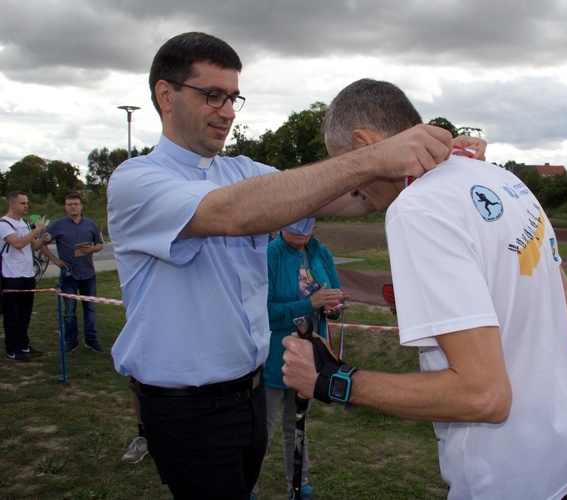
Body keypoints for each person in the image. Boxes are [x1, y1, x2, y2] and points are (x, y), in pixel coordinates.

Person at [106, 32, 485, 499]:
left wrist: (435, 163)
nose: (226, 110)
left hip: (247, 394)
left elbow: (348, 196)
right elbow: (231, 213)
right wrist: (375, 156)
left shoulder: (241, 171)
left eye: (233, 97)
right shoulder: (136, 181)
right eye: (212, 95)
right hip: (186, 408)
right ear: (166, 95)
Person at [281, 79, 567, 499]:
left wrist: (330, 380)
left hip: (505, 474)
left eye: (344, 164)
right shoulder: (503, 179)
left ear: (365, 143)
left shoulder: (417, 208)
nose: (348, 184)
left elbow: (484, 395)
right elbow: (565, 304)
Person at [253, 224, 347, 499]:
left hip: (309, 357)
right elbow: (264, 312)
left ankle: (299, 485)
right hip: (273, 356)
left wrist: (333, 308)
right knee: (263, 430)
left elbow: (333, 299)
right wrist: (311, 304)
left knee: (297, 425)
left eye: (308, 222)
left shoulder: (321, 253)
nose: (302, 230)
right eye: (295, 222)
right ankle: (248, 488)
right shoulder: (269, 254)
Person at [40, 193, 104, 353]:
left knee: (90, 308)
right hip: (69, 274)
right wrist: (55, 260)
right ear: (66, 207)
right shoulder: (58, 225)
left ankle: (91, 339)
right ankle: (71, 340)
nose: (73, 207)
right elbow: (41, 243)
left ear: (81, 206)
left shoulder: (90, 224)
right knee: (69, 311)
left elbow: (100, 244)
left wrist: (93, 248)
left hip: (88, 273)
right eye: (69, 204)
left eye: (76, 203)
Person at [1, 191, 50, 361]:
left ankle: (23, 344)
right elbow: (17, 243)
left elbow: (33, 246)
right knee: (12, 315)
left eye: (27, 203)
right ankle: (11, 348)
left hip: (28, 274)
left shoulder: (23, 223)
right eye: (22, 203)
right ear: (12, 204)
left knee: (25, 313)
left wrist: (42, 238)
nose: (26, 206)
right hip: (11, 276)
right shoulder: (4, 224)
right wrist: (36, 229)